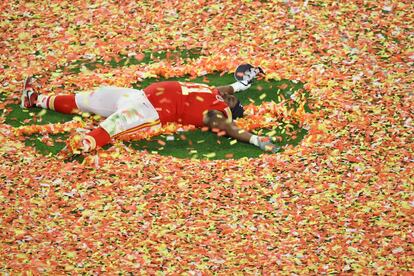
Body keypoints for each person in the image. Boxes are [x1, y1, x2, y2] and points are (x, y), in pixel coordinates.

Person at [20, 68, 279, 154]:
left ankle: (83, 145)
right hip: (138, 95)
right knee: (91, 98)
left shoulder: (216, 114)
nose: (228, 96)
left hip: (150, 111)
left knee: (114, 125)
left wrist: (255, 140)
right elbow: (227, 87)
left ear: (229, 109)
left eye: (232, 100)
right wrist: (242, 83)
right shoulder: (214, 93)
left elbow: (230, 129)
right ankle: (36, 99)